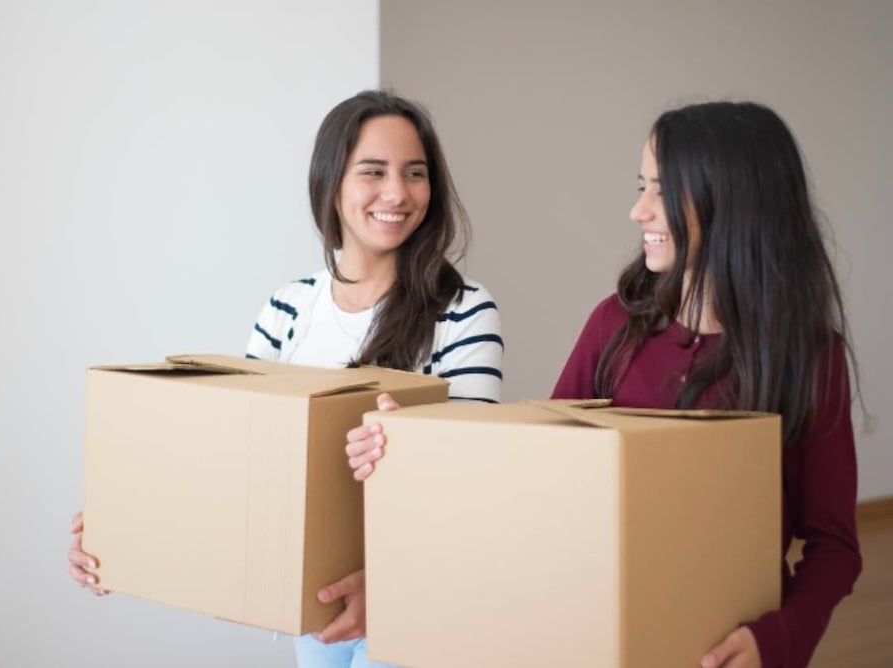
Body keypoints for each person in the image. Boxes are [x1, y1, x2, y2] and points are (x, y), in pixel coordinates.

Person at [347, 101, 861, 668]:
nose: (638, 210)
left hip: (719, 646)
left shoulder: (808, 356)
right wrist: (412, 438)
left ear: (731, 201)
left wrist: (778, 640)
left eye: (661, 191)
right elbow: (532, 460)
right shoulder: (614, 325)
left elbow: (834, 547)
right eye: (642, 186)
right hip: (591, 634)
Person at [68, 89, 504, 668]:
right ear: (332, 184)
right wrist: (121, 526)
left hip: (414, 606)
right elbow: (237, 462)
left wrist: (391, 567)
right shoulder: (288, 307)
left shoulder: (464, 309)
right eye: (373, 172)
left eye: (415, 174)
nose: (397, 193)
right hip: (311, 607)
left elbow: (474, 481)